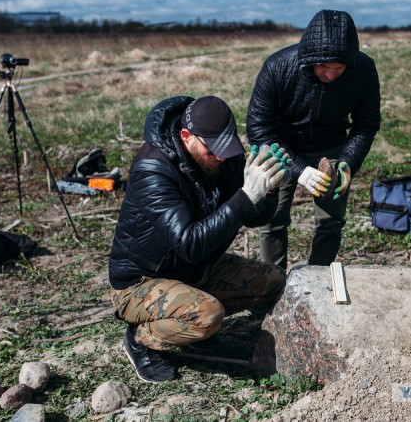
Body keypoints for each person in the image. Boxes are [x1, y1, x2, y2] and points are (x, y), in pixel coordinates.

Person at [109, 95, 290, 383]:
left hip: (196, 270)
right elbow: (189, 244)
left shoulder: (222, 156)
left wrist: (267, 191)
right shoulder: (152, 171)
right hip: (141, 282)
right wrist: (246, 196)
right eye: (212, 151)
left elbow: (254, 217)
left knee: (275, 281)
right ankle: (141, 339)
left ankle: (191, 333)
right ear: (186, 136)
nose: (220, 157)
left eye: (226, 149)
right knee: (207, 314)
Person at [246, 9, 381, 269]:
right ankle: (272, 284)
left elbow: (366, 125)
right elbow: (259, 127)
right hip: (280, 150)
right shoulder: (278, 66)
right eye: (323, 67)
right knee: (272, 220)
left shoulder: (363, 70)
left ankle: (318, 277)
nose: (330, 75)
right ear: (309, 57)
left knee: (330, 221)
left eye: (338, 68)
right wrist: (297, 170)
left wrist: (347, 162)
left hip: (330, 148)